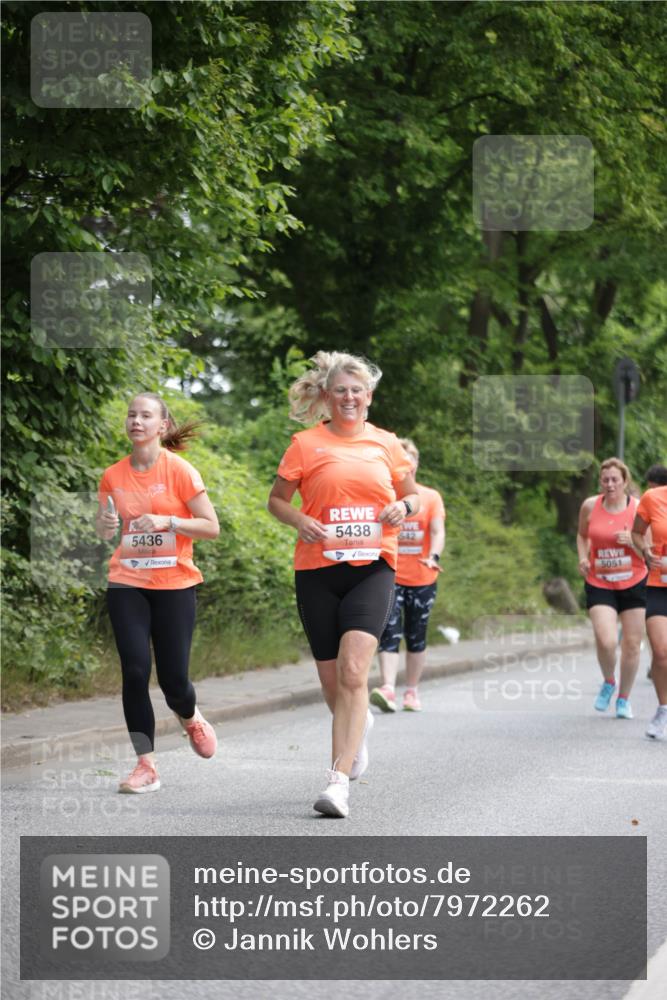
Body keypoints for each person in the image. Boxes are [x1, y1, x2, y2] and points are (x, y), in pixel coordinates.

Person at [268, 352, 418, 818]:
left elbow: (411, 494)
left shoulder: (387, 444)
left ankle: (337, 782)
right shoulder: (304, 444)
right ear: (328, 397)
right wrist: (300, 520)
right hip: (317, 570)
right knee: (334, 685)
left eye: (358, 390)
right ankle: (360, 725)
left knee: (355, 674)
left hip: (373, 567)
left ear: (368, 398)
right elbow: (276, 501)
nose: (349, 397)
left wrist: (404, 510)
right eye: (341, 390)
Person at [97, 393, 220, 793]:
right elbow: (105, 532)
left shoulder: (180, 471)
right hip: (127, 581)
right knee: (134, 670)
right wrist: (104, 521)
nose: (136, 420)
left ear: (161, 426)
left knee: (174, 680)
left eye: (145, 415)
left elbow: (210, 526)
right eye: (131, 414)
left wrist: (168, 520)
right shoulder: (113, 475)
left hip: (174, 583)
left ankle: (190, 716)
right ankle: (145, 765)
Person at [371, 438, 445, 713]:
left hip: (423, 578)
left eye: (410, 457)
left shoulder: (430, 497)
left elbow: (437, 531)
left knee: (416, 635)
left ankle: (411, 692)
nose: (407, 461)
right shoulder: (384, 494)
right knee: (388, 631)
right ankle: (388, 688)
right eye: (401, 457)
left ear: (416, 464)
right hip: (389, 575)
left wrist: (434, 556)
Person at [576, 457, 647, 719]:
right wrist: (583, 557)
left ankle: (624, 699)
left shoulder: (638, 509)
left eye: (615, 479)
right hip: (600, 582)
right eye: (605, 479)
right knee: (606, 641)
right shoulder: (590, 506)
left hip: (634, 581)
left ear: (625, 482)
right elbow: (582, 535)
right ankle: (609, 681)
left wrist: (632, 542)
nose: (609, 484)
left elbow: (649, 552)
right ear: (600, 482)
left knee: (631, 644)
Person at [632, 474, 667, 740]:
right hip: (659, 585)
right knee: (661, 651)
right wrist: (645, 551)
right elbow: (636, 532)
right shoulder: (652, 497)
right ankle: (663, 709)